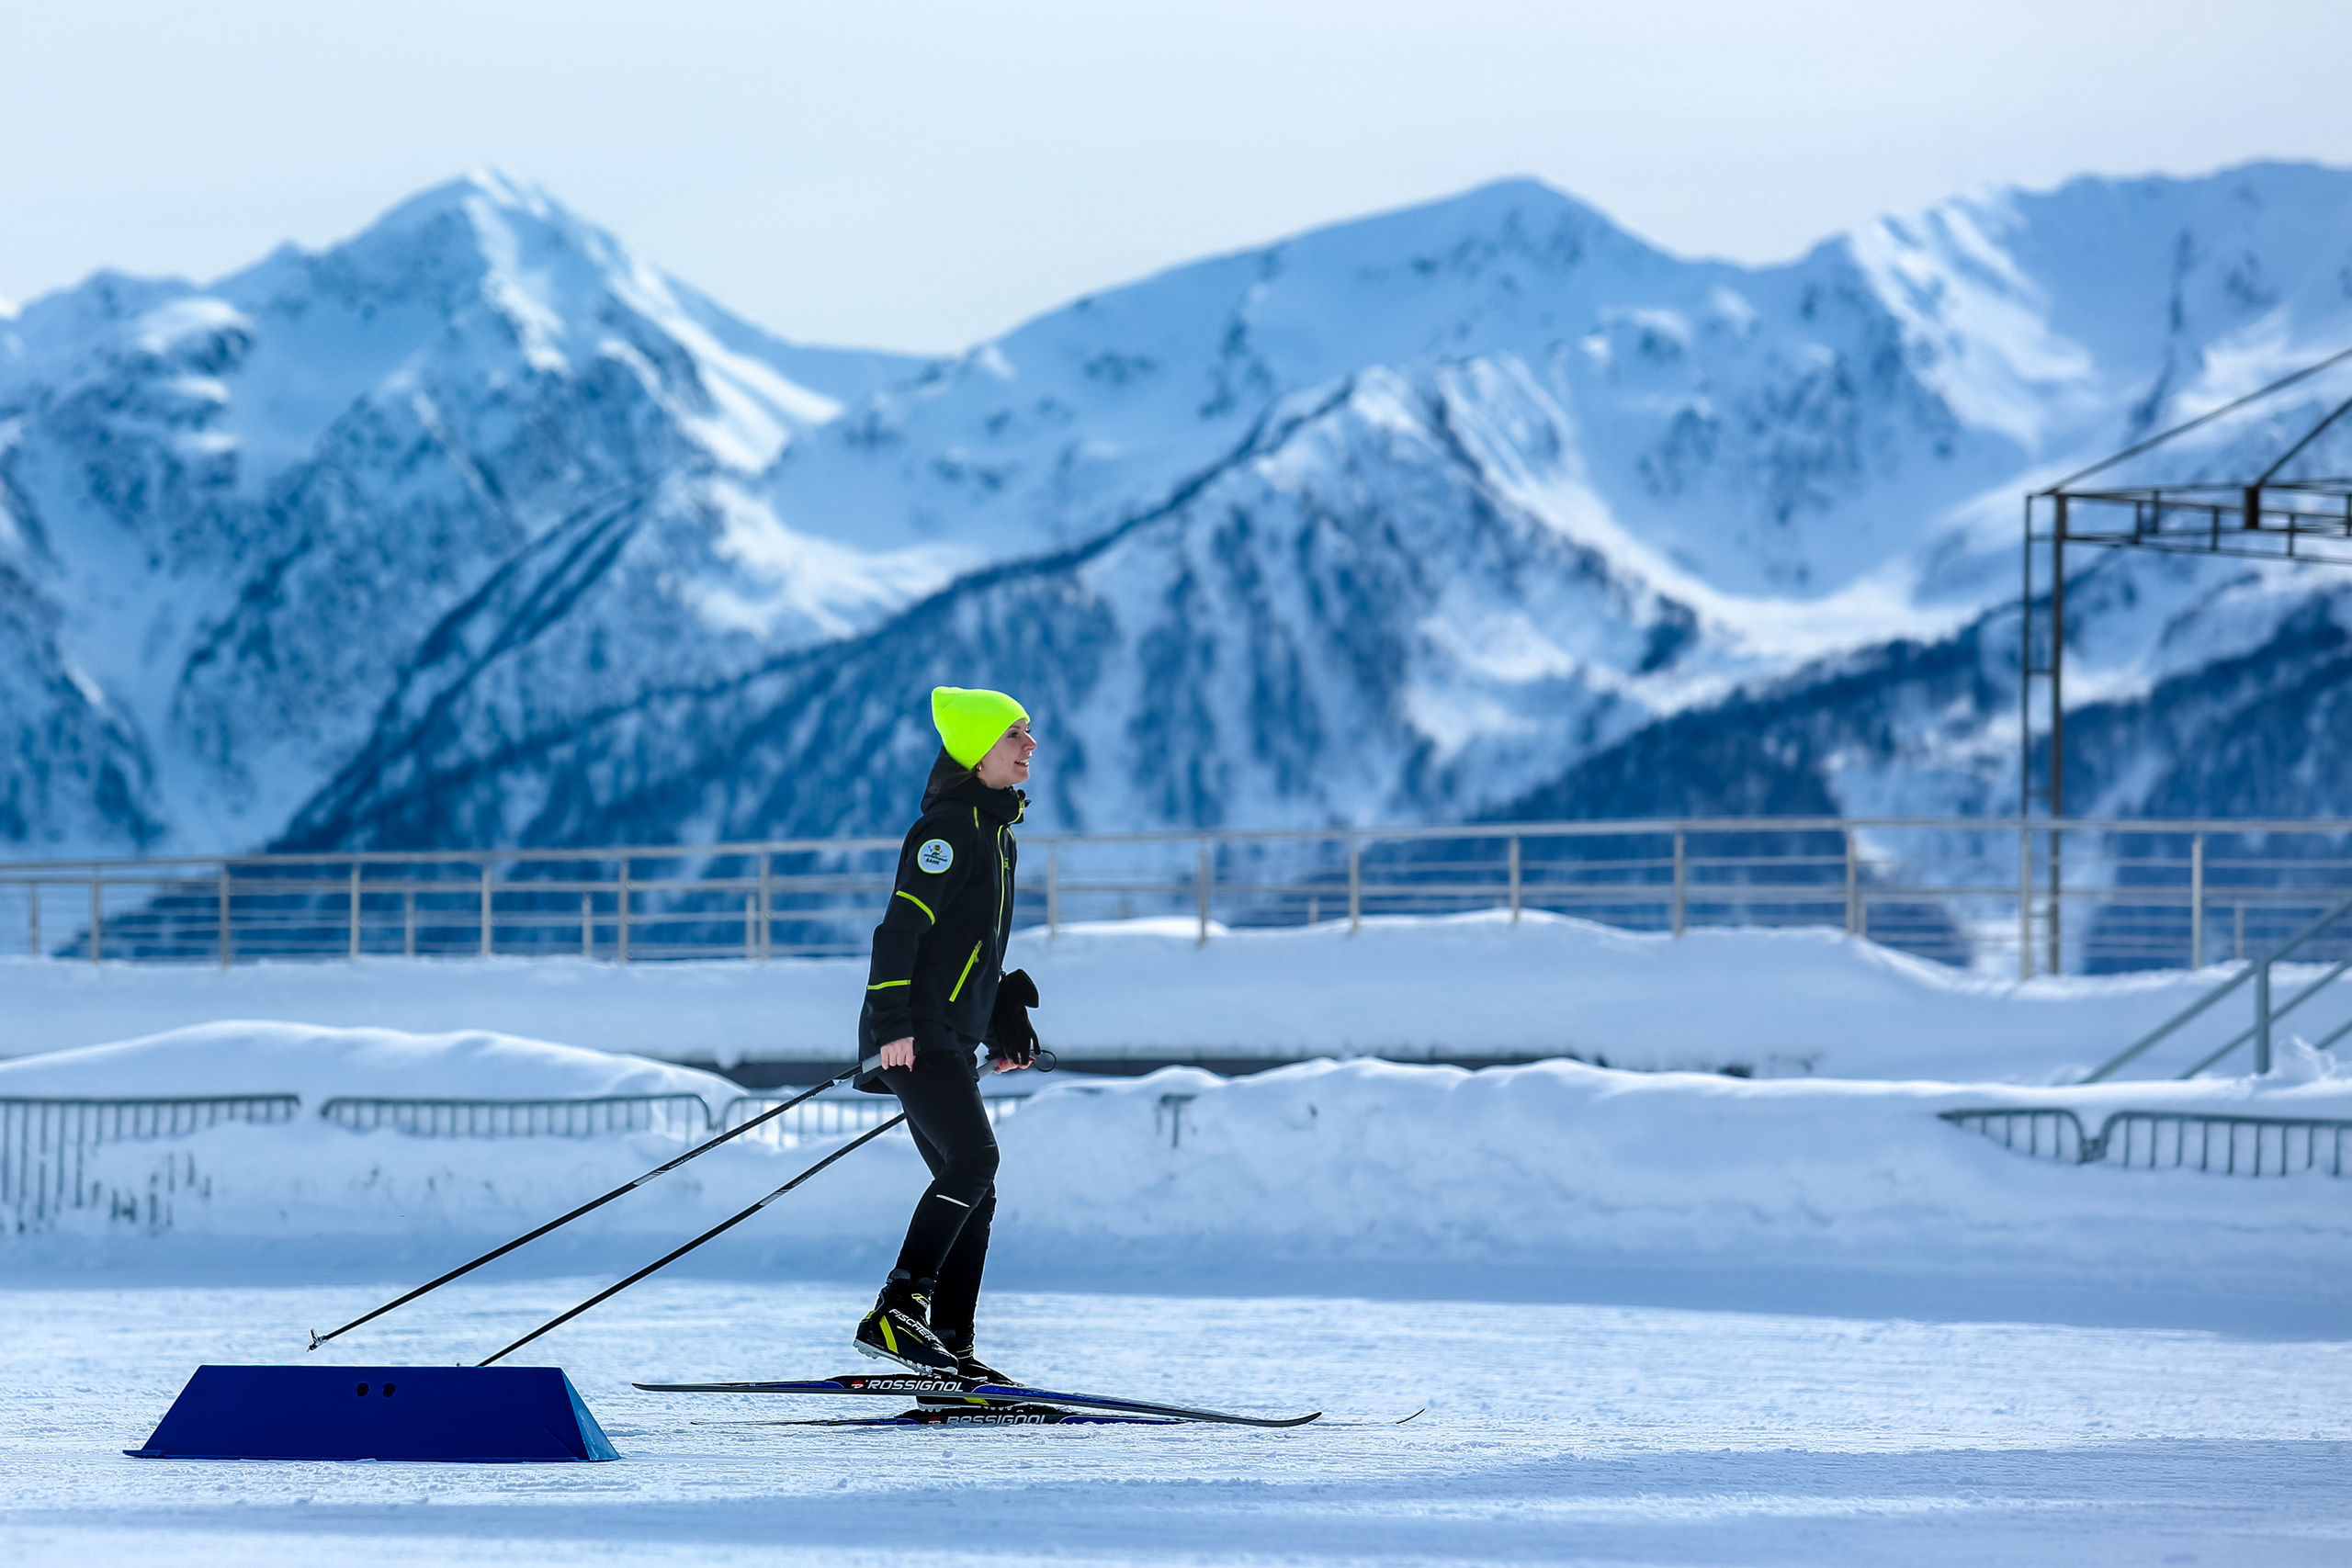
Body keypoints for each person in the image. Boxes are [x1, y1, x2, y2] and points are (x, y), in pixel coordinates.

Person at [853, 685, 1045, 1383]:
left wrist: (1002, 1019)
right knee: (975, 1161)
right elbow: (899, 934)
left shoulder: (995, 834)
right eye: (1014, 735)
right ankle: (896, 1310)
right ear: (976, 751)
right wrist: (892, 1026)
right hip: (915, 1036)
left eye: (1027, 734)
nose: (1029, 746)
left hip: (945, 1037)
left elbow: (970, 952)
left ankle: (950, 1346)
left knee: (975, 1185)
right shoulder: (947, 830)